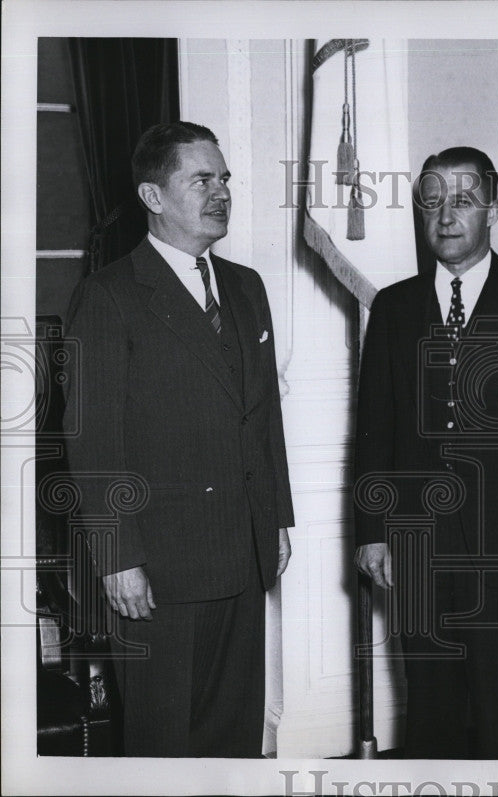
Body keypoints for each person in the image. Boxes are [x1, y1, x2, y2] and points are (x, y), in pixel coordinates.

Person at [63, 121, 295, 757]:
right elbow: (93, 440)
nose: (220, 191)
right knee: (163, 742)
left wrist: (274, 521)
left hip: (241, 555)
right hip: (155, 568)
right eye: (202, 179)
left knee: (233, 734)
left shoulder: (246, 287)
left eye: (224, 178)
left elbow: (263, 417)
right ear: (153, 196)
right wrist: (116, 556)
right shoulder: (108, 296)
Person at [353, 147, 498, 759]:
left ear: (492, 208)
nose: (445, 215)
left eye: (461, 200)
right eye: (431, 201)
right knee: (428, 702)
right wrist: (372, 530)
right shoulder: (393, 307)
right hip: (416, 541)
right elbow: (374, 429)